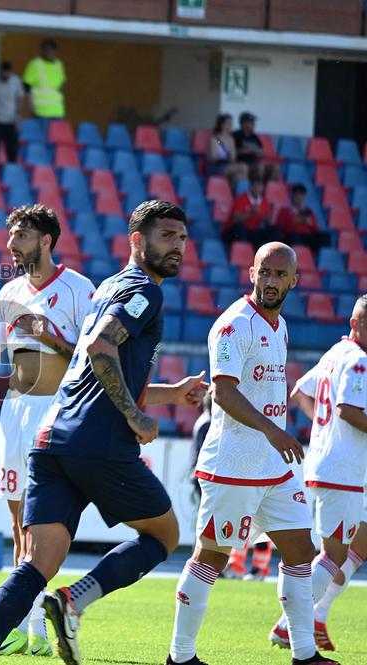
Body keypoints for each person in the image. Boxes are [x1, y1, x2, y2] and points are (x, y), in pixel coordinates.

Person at [0, 200, 209, 665]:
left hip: (52, 438)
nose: (178, 247)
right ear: (137, 241)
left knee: (38, 561)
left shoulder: (105, 288)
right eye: (166, 237)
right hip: (99, 441)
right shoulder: (143, 292)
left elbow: (92, 369)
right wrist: (133, 415)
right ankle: (75, 601)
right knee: (164, 536)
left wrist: (170, 395)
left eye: (182, 238)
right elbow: (99, 346)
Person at [167, 242, 338, 665]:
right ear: (251, 273)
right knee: (210, 558)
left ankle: (304, 653)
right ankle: (179, 656)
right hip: (234, 466)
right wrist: (271, 429)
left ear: (294, 281)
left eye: (280, 275)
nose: (271, 281)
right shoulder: (233, 326)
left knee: (301, 552)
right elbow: (223, 391)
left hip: (274, 468)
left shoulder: (278, 326)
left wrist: (273, 436)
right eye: (264, 272)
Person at [0, 204, 96, 658]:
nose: (12, 243)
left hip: (59, 413)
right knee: (16, 523)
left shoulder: (79, 290)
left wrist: (48, 337)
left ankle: (43, 629)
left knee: (43, 524)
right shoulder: (9, 293)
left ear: (47, 240)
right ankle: (25, 628)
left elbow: (93, 359)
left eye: (22, 234)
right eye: (10, 234)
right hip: (16, 413)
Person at [272, 297, 367, 652]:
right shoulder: (359, 360)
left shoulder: (333, 355)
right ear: (355, 323)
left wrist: (323, 431)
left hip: (328, 464)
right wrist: (333, 431)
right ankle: (288, 626)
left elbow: (299, 392)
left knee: (342, 548)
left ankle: (309, 619)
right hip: (342, 470)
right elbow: (348, 411)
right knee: (332, 556)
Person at [222, 170, 275, 249]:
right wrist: (251, 213)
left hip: (253, 231)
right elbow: (236, 219)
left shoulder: (264, 201)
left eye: (260, 186)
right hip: (235, 231)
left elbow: (269, 220)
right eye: (255, 186)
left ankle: (272, 254)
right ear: (251, 187)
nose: (258, 188)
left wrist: (267, 219)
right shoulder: (241, 198)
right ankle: (241, 253)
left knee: (274, 230)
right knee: (240, 228)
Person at [276, 184, 330, 256]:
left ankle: (316, 260)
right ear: (292, 195)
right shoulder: (285, 211)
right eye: (297, 195)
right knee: (294, 237)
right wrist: (295, 222)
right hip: (293, 236)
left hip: (307, 237)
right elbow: (281, 229)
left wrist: (310, 223)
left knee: (325, 237)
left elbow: (316, 229)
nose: (299, 198)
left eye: (301, 196)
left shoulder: (308, 211)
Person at [22, 39, 66, 119]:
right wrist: (31, 107)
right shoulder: (35, 64)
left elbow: (62, 84)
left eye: (52, 49)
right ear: (42, 50)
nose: (49, 52)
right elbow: (26, 87)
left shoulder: (59, 64)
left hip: (58, 111)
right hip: (40, 112)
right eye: (46, 49)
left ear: (55, 51)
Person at [233, 112, 280, 182]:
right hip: (240, 163)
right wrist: (245, 151)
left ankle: (269, 190)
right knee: (260, 167)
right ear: (243, 123)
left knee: (276, 167)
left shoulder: (254, 137)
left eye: (253, 122)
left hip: (254, 163)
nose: (254, 124)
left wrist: (255, 151)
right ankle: (257, 188)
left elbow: (262, 151)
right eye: (251, 122)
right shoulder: (235, 135)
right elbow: (228, 151)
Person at [207, 114, 247, 187]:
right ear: (221, 125)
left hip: (228, 165)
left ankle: (233, 193)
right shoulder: (216, 139)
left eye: (231, 124)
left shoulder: (231, 139)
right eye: (228, 123)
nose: (230, 125)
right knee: (243, 167)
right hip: (217, 166)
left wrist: (229, 156)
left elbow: (233, 157)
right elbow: (213, 158)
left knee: (238, 176)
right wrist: (226, 157)